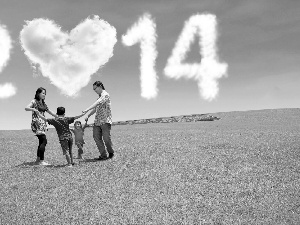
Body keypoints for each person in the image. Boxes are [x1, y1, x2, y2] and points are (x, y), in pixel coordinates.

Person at [25, 87, 57, 166]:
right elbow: (26, 108)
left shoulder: (43, 103)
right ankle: (41, 161)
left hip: (42, 124)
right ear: (38, 93)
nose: (44, 95)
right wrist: (34, 109)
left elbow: (49, 111)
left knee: (41, 142)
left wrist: (57, 116)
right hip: (37, 123)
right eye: (43, 93)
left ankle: (38, 160)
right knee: (44, 141)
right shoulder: (34, 101)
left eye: (45, 93)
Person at [83, 81, 114, 160]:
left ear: (100, 86)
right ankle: (103, 155)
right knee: (96, 137)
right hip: (97, 122)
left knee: (106, 139)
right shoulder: (99, 97)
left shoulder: (105, 95)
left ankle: (111, 152)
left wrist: (87, 109)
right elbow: (96, 108)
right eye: (94, 90)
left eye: (95, 89)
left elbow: (98, 103)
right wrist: (88, 115)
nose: (95, 91)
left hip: (105, 121)